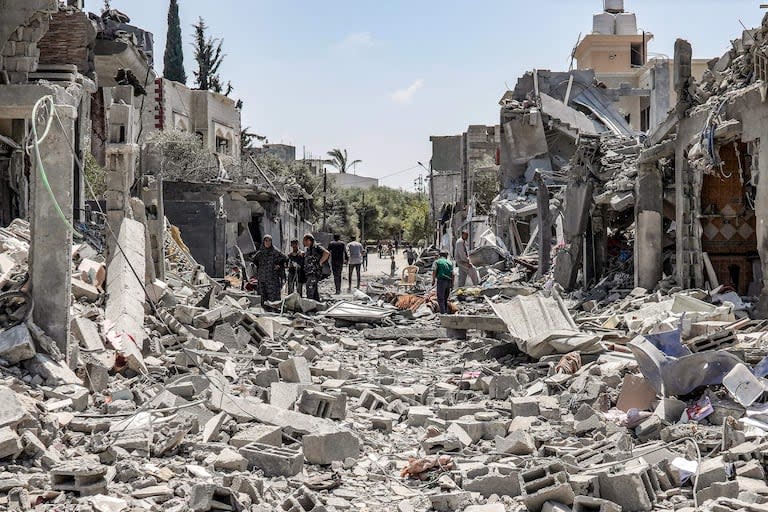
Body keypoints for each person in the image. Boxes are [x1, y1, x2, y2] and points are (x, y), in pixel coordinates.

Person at [251, 235, 287, 305]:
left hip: (272, 280)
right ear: (263, 242)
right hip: (262, 279)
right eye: (266, 241)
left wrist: (279, 265)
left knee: (273, 300)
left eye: (269, 241)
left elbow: (285, 259)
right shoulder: (260, 253)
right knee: (263, 299)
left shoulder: (275, 252)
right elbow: (254, 260)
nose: (267, 242)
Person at [303, 234, 330, 301]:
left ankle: (310, 306)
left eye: (304, 240)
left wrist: (320, 262)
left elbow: (326, 253)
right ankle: (316, 305)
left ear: (309, 241)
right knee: (314, 291)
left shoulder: (316, 247)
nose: (303, 242)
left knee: (309, 289)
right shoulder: (309, 249)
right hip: (309, 273)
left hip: (314, 273)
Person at [432, 250, 454, 314]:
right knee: (445, 298)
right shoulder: (450, 262)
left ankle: (443, 313)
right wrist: (452, 284)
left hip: (441, 281)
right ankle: (446, 311)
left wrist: (433, 280)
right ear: (446, 256)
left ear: (439, 255)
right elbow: (453, 274)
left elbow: (434, 271)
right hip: (449, 281)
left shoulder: (437, 262)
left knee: (440, 298)